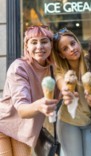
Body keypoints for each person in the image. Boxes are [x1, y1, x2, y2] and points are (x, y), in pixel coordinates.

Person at [0, 25, 58, 156]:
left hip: (25, 131)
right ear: (26, 46)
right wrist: (39, 105)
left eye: (44, 41)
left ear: (51, 45)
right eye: (34, 42)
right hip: (3, 125)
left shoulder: (54, 69)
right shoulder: (19, 67)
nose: (39, 47)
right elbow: (22, 109)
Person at [52, 27, 91, 156]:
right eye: (65, 48)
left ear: (77, 41)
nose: (72, 49)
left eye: (72, 43)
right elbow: (62, 83)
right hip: (68, 122)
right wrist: (66, 91)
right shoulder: (60, 70)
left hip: (90, 122)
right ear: (61, 54)